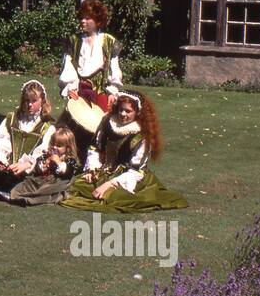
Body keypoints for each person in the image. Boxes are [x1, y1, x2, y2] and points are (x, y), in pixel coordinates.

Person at [59, 89, 187, 213]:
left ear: (138, 112)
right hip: (103, 171)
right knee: (77, 186)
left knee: (114, 197)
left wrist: (110, 184)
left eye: (128, 111)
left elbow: (136, 169)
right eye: (121, 109)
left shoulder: (141, 135)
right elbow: (95, 148)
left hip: (128, 177)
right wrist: (92, 169)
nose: (123, 114)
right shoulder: (107, 122)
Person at [58, 0, 124, 155]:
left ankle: (96, 162)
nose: (83, 21)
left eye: (88, 18)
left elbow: (113, 68)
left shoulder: (108, 41)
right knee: (71, 128)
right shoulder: (74, 41)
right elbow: (68, 66)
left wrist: (113, 91)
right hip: (78, 92)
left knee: (99, 129)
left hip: (100, 93)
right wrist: (69, 88)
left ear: (98, 20)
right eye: (81, 17)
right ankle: (72, 159)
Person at [0, 80, 54, 203]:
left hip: (31, 170)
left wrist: (26, 165)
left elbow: (42, 152)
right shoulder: (12, 118)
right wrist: (1, 160)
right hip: (10, 167)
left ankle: (16, 193)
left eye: (34, 101)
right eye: (26, 101)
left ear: (42, 101)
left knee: (33, 185)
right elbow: (0, 140)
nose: (29, 105)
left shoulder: (47, 126)